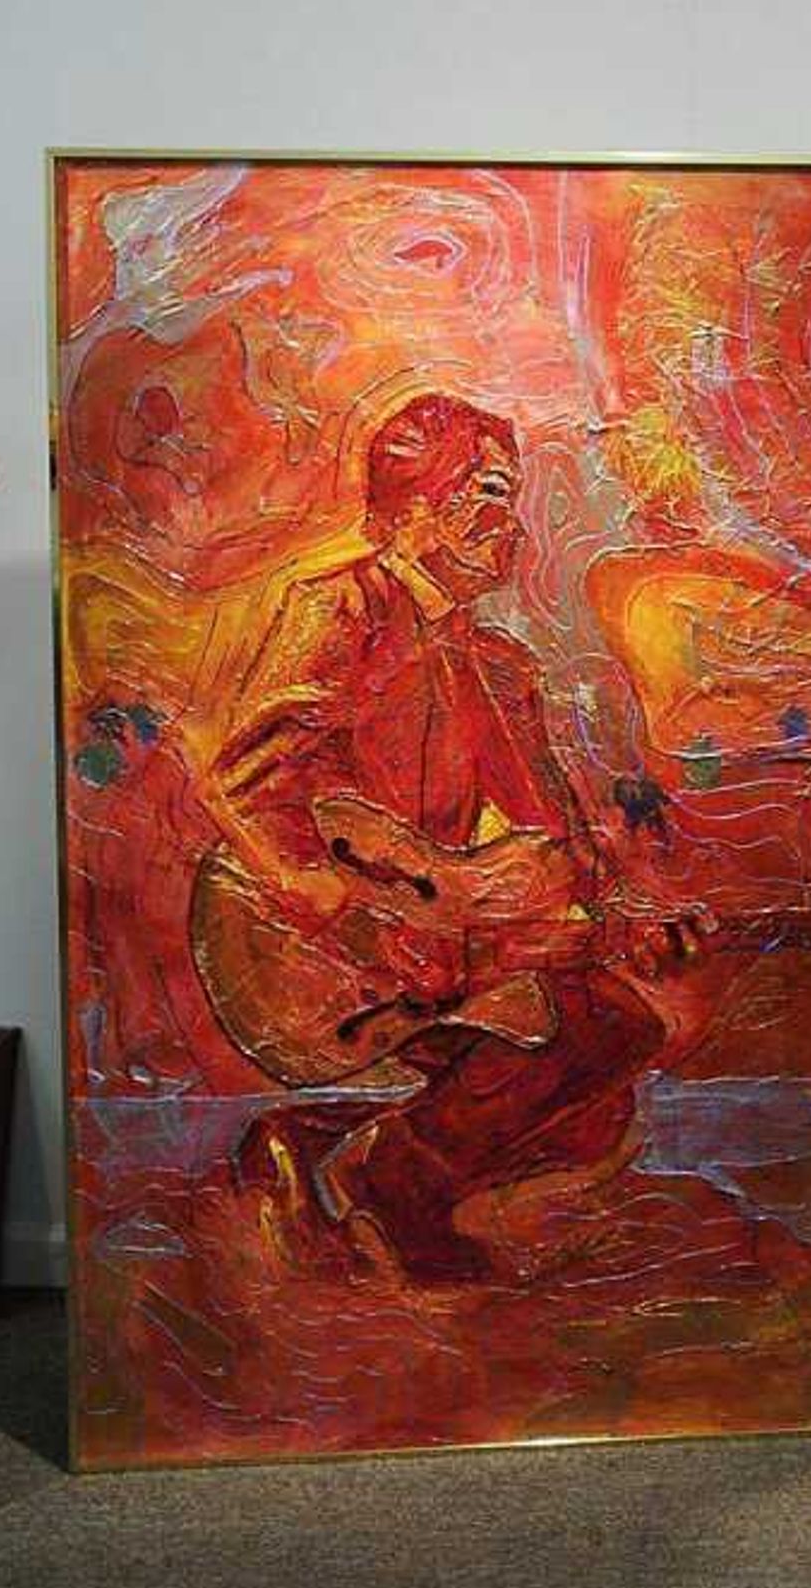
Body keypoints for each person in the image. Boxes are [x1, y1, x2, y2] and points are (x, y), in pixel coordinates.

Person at [198, 393, 678, 1282]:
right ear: (416, 507)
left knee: (605, 1056)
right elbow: (254, 780)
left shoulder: (497, 666)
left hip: (432, 932)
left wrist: (611, 910)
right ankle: (390, 1185)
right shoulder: (340, 609)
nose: (514, 526)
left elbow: (553, 836)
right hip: (305, 940)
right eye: (491, 493)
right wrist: (344, 912)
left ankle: (319, 1148)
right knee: (580, 1052)